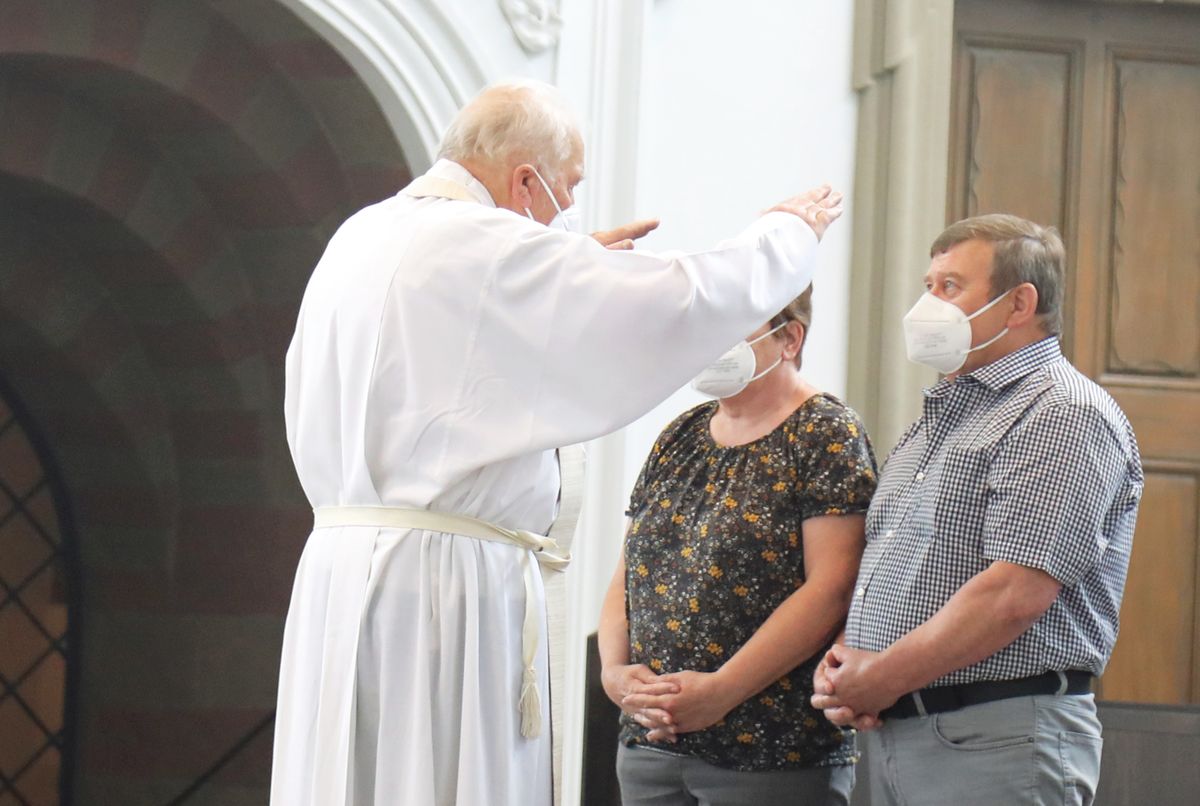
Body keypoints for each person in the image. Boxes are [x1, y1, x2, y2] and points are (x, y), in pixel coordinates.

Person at [272, 78, 845, 806]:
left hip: (341, 573)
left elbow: (464, 342)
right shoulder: (488, 245)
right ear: (522, 179)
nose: (569, 210)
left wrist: (568, 279)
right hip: (446, 585)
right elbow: (684, 297)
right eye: (566, 188)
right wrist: (787, 233)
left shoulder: (363, 235)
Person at [810, 214, 1143, 805]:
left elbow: (1014, 592)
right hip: (903, 728)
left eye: (950, 287)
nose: (926, 304)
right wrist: (847, 655)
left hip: (998, 736)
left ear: (1019, 304)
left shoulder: (1061, 412)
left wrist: (879, 678)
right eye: (927, 284)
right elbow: (897, 560)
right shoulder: (946, 413)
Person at [602, 286, 877, 806]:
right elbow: (628, 574)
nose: (709, 346)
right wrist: (615, 675)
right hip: (651, 742)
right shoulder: (680, 434)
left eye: (729, 330)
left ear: (790, 338)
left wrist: (722, 691)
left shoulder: (825, 433)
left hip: (770, 751)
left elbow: (832, 588)